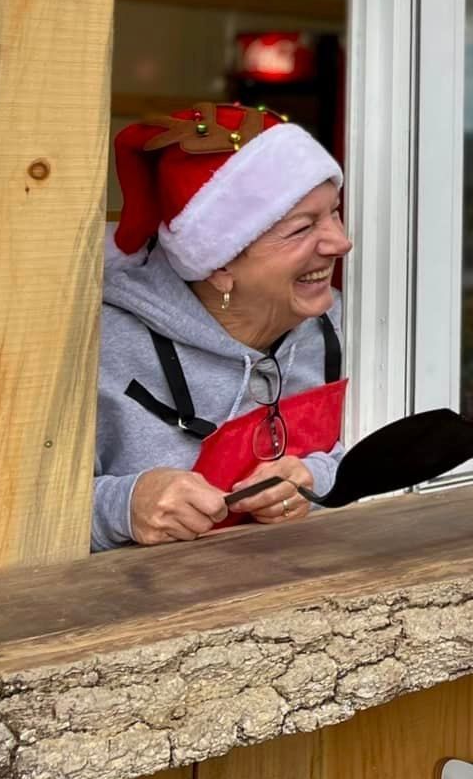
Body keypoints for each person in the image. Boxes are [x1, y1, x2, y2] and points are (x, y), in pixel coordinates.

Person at [93, 103, 352, 551]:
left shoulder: (347, 323)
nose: (341, 242)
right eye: (302, 228)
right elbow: (12, 509)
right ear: (218, 266)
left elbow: (390, 456)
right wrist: (124, 507)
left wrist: (316, 479)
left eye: (334, 212)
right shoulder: (100, 351)